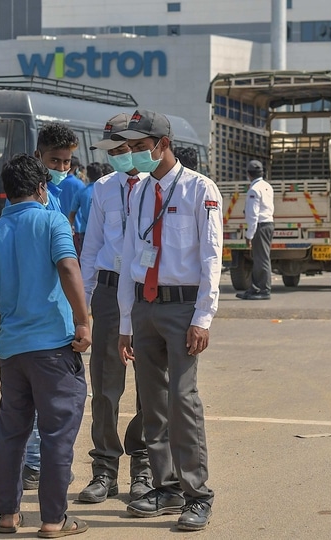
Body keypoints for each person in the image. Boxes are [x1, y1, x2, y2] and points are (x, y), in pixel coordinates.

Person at [0, 154, 90, 538]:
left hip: (12, 351)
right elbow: (68, 268)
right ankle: (53, 520)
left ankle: (7, 516)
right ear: (41, 188)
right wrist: (84, 321)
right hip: (53, 349)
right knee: (57, 436)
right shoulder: (53, 221)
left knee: (12, 434)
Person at [116, 110, 222, 531]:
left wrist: (204, 317)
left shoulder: (200, 189)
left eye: (142, 148)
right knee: (152, 402)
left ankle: (198, 493)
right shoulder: (139, 193)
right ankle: (166, 486)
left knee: (182, 399)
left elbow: (213, 259)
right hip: (145, 306)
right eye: (133, 148)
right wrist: (126, 320)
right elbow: (128, 258)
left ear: (163, 144)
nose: (136, 155)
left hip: (182, 308)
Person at [77, 114, 152, 505]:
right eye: (114, 151)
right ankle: (104, 469)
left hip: (146, 293)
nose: (121, 157)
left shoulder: (160, 189)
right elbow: (90, 249)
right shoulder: (103, 188)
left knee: (150, 385)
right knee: (106, 387)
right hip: (108, 293)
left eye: (126, 149)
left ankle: (143, 465)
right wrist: (82, 307)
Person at [20, 122, 80, 490]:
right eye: (55, 161)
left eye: (67, 162)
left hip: (38, 308)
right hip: (43, 309)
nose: (62, 168)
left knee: (28, 395)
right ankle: (35, 465)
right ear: (38, 156)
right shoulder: (37, 199)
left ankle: (26, 463)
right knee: (51, 397)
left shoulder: (53, 197)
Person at [236, 160, 274, 300]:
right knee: (260, 259)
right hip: (268, 224)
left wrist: (249, 235)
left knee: (262, 259)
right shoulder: (267, 186)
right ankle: (255, 288)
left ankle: (264, 290)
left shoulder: (254, 190)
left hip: (260, 226)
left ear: (249, 174)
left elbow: (253, 215)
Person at [68, 162, 103, 256]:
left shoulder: (81, 192)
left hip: (85, 233)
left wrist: (68, 230)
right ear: (101, 174)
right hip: (103, 232)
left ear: (88, 175)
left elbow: (72, 215)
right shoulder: (106, 191)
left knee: (87, 260)